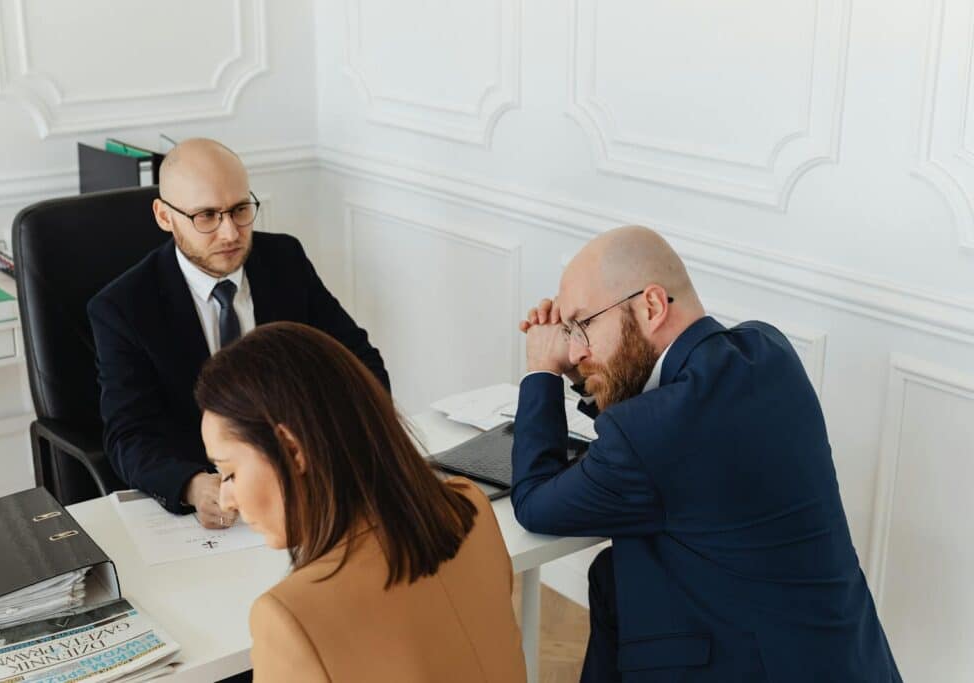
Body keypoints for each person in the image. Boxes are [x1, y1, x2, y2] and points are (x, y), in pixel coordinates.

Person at [513, 226, 901, 682]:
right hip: (848, 658)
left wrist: (542, 370)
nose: (575, 349)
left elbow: (535, 503)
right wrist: (583, 361)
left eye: (583, 325)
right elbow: (649, 409)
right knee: (614, 576)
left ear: (652, 306)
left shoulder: (654, 433)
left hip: (757, 668)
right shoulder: (768, 351)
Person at [195, 322, 526, 682]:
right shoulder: (470, 505)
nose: (227, 501)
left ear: (292, 449)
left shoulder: (290, 616)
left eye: (228, 473)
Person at [88, 138, 389, 528]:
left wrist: (336, 447)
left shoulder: (285, 260)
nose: (230, 233)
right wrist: (192, 486)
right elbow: (129, 435)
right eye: (207, 216)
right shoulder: (122, 308)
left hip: (302, 486)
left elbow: (359, 364)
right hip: (215, 504)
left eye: (240, 210)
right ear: (165, 216)